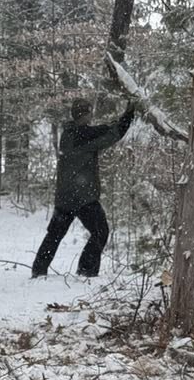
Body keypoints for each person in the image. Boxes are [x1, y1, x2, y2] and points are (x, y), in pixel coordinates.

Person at [31, 95, 136, 280]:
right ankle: (86, 270)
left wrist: (121, 118)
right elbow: (112, 134)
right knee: (100, 231)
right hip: (83, 198)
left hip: (65, 197)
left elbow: (100, 130)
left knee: (54, 235)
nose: (91, 117)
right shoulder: (82, 137)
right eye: (89, 113)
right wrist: (129, 115)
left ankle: (39, 270)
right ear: (85, 115)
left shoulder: (69, 134)